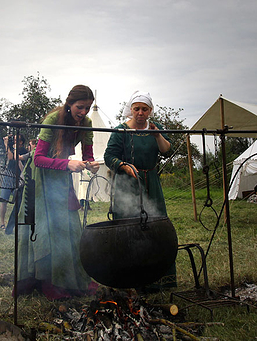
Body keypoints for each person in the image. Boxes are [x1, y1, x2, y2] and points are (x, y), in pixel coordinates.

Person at [16, 84, 100, 300]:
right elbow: (38, 158)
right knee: (45, 228)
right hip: (40, 176)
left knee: (67, 226)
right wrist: (67, 165)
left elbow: (88, 154)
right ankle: (46, 280)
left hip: (61, 176)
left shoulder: (87, 123)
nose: (83, 113)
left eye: (87, 108)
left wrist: (90, 164)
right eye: (79, 107)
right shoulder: (53, 120)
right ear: (69, 103)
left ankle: (68, 278)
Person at [103, 90, 176, 288]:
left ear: (150, 110)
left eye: (144, 109)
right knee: (130, 227)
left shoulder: (155, 128)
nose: (140, 112)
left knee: (156, 225)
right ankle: (130, 277)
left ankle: (160, 279)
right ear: (131, 110)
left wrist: (157, 134)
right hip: (128, 184)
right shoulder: (120, 131)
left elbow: (165, 149)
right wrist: (124, 166)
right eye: (137, 109)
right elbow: (109, 156)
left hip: (151, 181)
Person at [0, 134, 28, 230]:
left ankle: (16, 223)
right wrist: (7, 145)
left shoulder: (24, 151)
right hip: (8, 175)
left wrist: (8, 145)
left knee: (18, 202)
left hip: (18, 177)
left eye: (16, 140)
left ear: (21, 142)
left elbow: (13, 157)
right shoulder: (12, 148)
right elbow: (9, 157)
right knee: (4, 200)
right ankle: (2, 223)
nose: (14, 141)